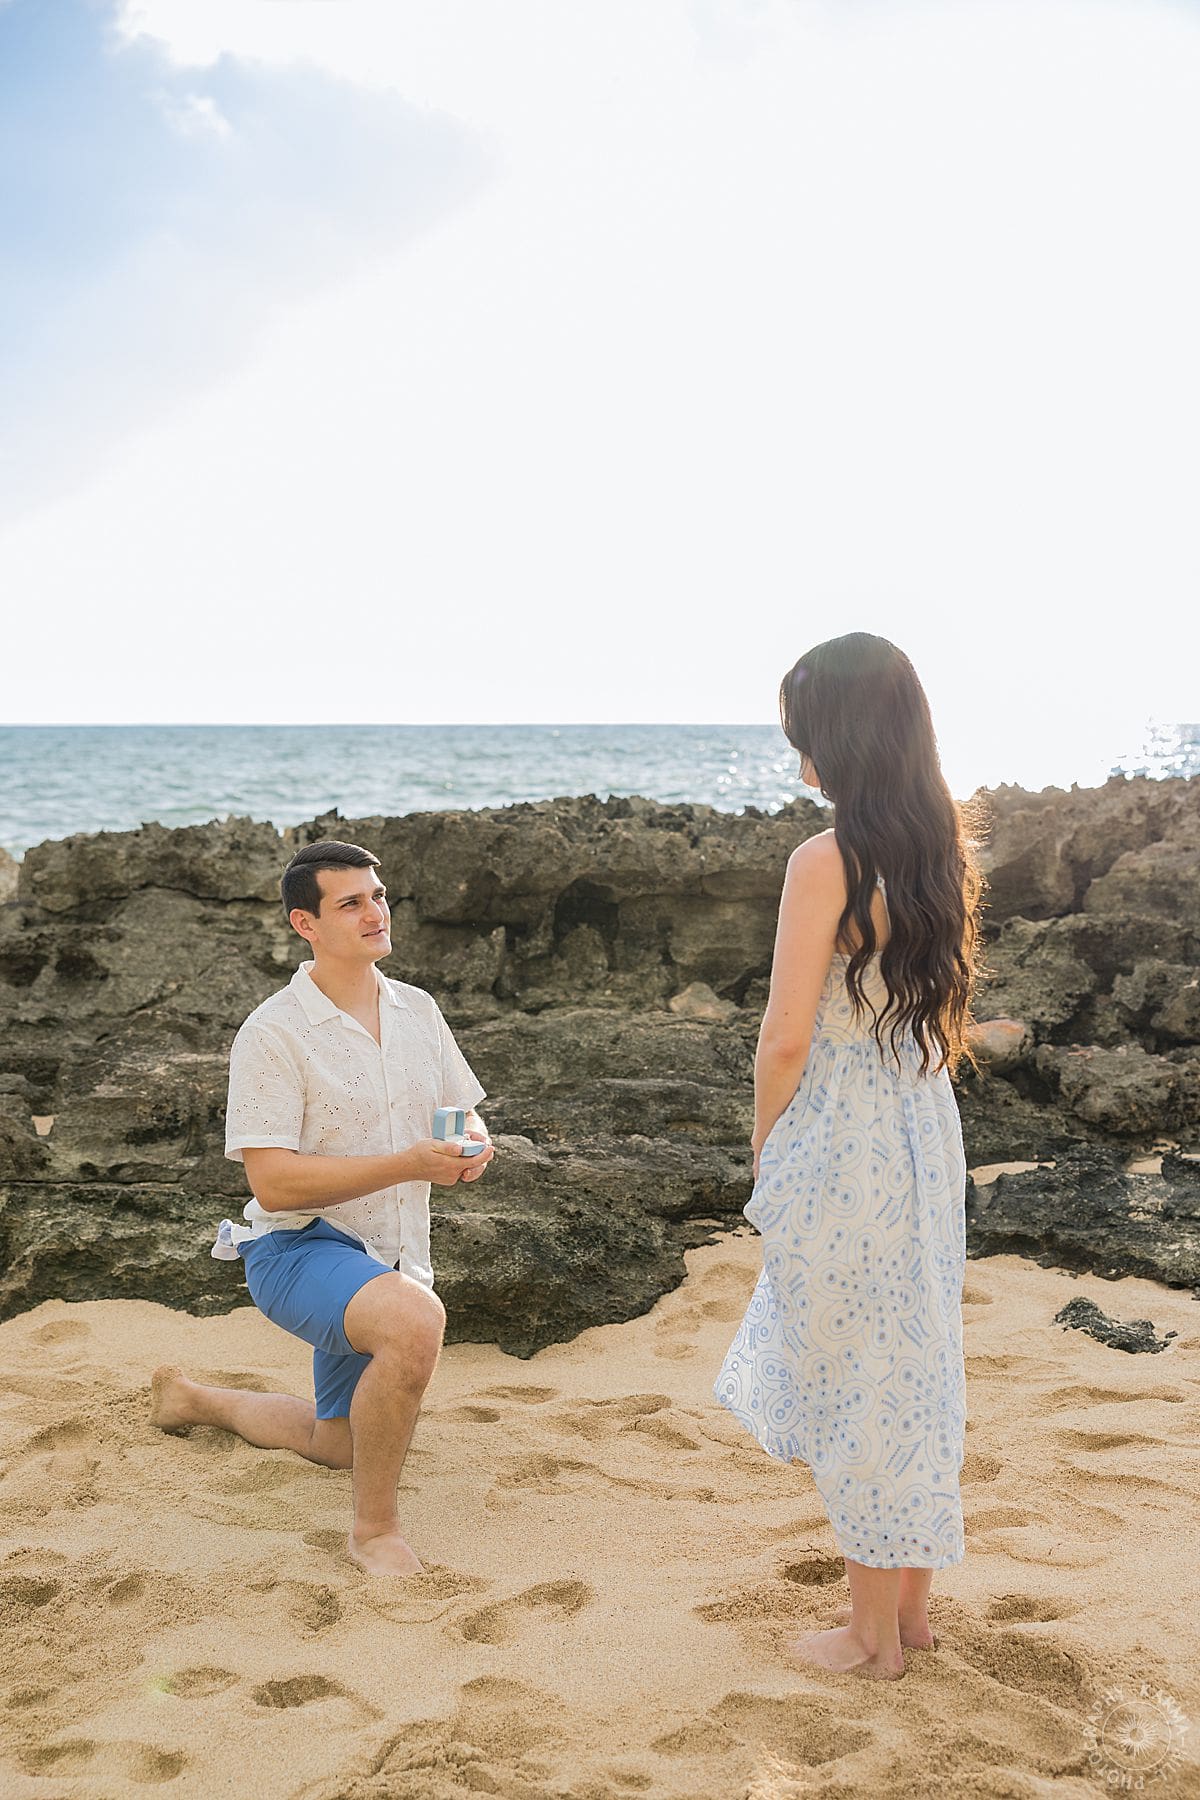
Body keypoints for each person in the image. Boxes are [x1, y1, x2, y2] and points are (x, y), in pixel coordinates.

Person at [715, 632, 983, 1680]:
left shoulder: (825, 860)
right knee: (913, 1365)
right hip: (921, 1129)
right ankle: (907, 1614)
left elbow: (784, 1034)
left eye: (809, 739)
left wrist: (764, 1143)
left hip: (843, 1136)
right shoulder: (942, 847)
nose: (802, 763)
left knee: (856, 1374)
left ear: (847, 739)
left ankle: (871, 1641)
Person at [150, 839, 494, 1577]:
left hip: (388, 1258)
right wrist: (408, 1163)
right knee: (415, 1325)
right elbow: (273, 1185)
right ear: (305, 924)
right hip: (296, 1251)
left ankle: (192, 1400)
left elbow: (460, 1113)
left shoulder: (418, 1011)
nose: (375, 912)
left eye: (377, 895)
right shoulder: (273, 1032)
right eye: (352, 903)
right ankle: (374, 1534)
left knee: (341, 1445)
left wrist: (470, 1145)